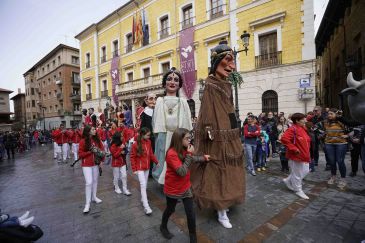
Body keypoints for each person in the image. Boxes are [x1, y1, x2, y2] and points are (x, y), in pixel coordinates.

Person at [190, 41, 245, 229]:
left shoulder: (226, 84)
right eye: (228, 60)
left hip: (230, 136)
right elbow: (206, 113)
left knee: (229, 171)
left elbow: (229, 111)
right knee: (218, 172)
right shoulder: (211, 85)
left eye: (233, 61)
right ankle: (220, 210)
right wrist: (210, 133)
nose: (232, 66)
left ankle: (224, 204)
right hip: (216, 139)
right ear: (217, 62)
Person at [160, 128, 209, 242]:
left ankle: (193, 236)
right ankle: (163, 226)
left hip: (186, 187)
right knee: (170, 209)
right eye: (187, 138)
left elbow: (191, 159)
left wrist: (203, 158)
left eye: (189, 137)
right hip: (173, 189)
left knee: (190, 213)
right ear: (179, 139)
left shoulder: (184, 149)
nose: (189, 140)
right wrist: (190, 153)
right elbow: (182, 171)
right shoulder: (171, 153)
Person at [152, 67, 192, 185]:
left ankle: (178, 183)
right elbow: (155, 121)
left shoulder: (183, 102)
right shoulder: (159, 101)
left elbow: (187, 119)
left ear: (179, 85)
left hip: (178, 136)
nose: (172, 82)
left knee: (178, 159)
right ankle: (164, 182)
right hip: (164, 136)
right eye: (169, 79)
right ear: (164, 83)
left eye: (176, 80)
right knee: (163, 159)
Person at [281, 113, 311, 199]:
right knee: (298, 174)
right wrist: (294, 148)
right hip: (296, 155)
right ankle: (298, 190)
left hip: (305, 154)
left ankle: (288, 180)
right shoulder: (292, 129)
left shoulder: (302, 128)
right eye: (303, 119)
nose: (305, 120)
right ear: (297, 121)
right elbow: (284, 139)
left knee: (305, 171)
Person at [318, 109, 349, 189]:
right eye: (328, 114)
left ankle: (343, 179)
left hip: (341, 144)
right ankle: (333, 176)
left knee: (340, 161)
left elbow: (353, 127)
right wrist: (322, 134)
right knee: (332, 161)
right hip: (329, 144)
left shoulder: (342, 121)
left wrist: (348, 135)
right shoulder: (325, 122)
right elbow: (315, 128)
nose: (329, 115)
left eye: (331, 114)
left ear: (336, 114)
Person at [130, 127, 159, 215]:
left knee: (145, 184)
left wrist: (156, 162)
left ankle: (143, 199)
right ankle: (146, 206)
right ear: (142, 135)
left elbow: (150, 154)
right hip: (139, 168)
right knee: (143, 185)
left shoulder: (149, 142)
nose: (149, 137)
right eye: (148, 135)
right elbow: (132, 157)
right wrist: (134, 169)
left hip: (146, 167)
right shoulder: (135, 144)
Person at [78, 126, 105, 213]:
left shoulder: (97, 140)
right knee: (89, 182)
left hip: (95, 164)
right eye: (93, 129)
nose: (95, 130)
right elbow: (80, 155)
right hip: (86, 164)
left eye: (94, 129)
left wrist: (102, 161)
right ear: (88, 131)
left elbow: (102, 151)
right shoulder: (83, 141)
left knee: (95, 180)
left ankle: (94, 197)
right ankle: (87, 203)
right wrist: (90, 151)